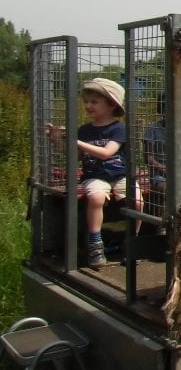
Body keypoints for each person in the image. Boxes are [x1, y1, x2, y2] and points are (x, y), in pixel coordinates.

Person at [46, 78, 142, 268]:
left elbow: (106, 153)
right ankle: (95, 244)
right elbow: (77, 156)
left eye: (94, 102)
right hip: (95, 175)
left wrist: (76, 141)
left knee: (137, 201)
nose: (88, 106)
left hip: (120, 175)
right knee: (96, 198)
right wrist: (57, 140)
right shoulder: (84, 131)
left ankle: (133, 243)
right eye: (86, 102)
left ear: (111, 105)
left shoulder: (119, 129)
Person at [142, 92, 168, 216]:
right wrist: (165, 170)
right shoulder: (153, 130)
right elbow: (148, 157)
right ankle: (162, 226)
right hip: (160, 174)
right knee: (166, 189)